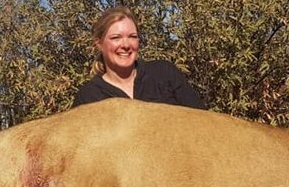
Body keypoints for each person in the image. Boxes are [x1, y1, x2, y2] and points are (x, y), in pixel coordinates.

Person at [72, 6, 206, 110]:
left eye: (132, 36)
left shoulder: (164, 73)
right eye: (116, 38)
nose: (125, 45)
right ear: (99, 43)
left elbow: (202, 120)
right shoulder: (88, 96)